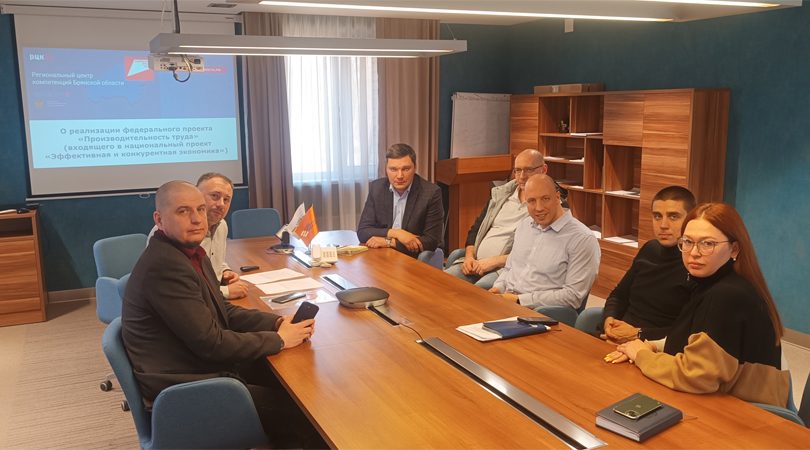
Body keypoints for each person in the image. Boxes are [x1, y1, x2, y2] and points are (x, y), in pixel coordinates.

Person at [123, 181, 323, 447]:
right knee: (308, 416)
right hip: (186, 388)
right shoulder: (165, 266)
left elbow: (222, 309)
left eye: (200, 209)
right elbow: (212, 344)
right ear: (159, 219)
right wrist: (280, 339)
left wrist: (276, 322)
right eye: (183, 211)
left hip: (195, 366)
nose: (197, 219)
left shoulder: (190, 253)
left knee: (294, 383)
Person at [607, 203, 788, 407]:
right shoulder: (711, 283)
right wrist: (653, 345)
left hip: (746, 411)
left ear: (734, 249)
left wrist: (641, 355)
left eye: (707, 244)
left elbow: (696, 376)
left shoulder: (727, 295)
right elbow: (701, 343)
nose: (694, 252)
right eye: (687, 242)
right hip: (723, 399)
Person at [489, 174, 600, 309]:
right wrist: (498, 288)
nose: (539, 208)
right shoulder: (524, 226)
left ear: (558, 197)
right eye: (531, 201)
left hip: (538, 312)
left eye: (545, 199)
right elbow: (510, 268)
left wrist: (519, 300)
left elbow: (573, 296)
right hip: (507, 302)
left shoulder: (582, 239)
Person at [601, 186, 696, 343]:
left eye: (673, 217)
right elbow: (618, 296)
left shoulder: (695, 263)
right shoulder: (649, 249)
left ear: (691, 220)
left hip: (654, 346)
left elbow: (688, 330)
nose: (663, 225)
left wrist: (638, 334)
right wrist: (609, 321)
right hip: (615, 337)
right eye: (657, 216)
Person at [444, 149, 548, 289]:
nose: (522, 176)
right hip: (476, 262)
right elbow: (475, 230)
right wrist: (469, 257)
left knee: (478, 293)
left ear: (544, 170)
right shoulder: (500, 195)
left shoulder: (548, 206)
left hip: (506, 269)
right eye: (517, 170)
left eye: (528, 170)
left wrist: (494, 262)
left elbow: (536, 252)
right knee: (442, 281)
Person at [148, 172, 248, 299]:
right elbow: (171, 288)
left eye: (226, 199)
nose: (221, 204)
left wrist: (225, 271)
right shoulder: (169, 231)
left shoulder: (222, 225)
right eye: (215, 196)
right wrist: (225, 292)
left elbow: (215, 261)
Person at [357, 143, 444, 257]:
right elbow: (363, 231)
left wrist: (389, 242)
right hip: (381, 255)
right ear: (386, 169)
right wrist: (397, 233)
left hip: (412, 258)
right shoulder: (377, 188)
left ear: (415, 168)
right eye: (393, 169)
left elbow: (432, 241)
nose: (399, 176)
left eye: (406, 169)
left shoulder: (431, 193)